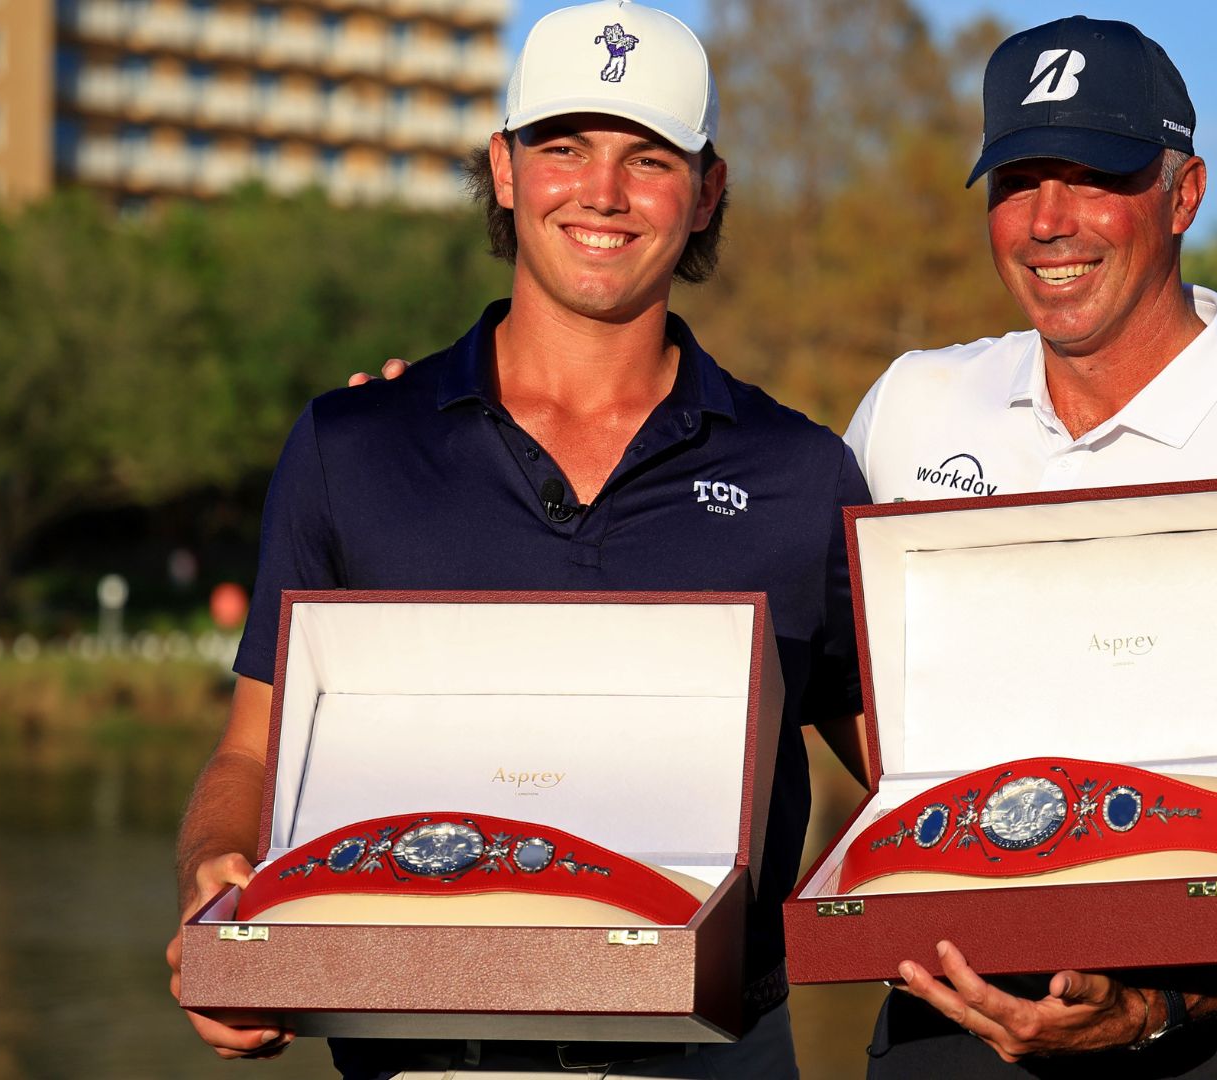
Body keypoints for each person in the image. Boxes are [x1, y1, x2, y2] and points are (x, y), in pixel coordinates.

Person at [164, 3, 869, 1077]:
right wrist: (216, 879)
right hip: (414, 1049)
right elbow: (252, 754)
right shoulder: (351, 445)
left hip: (715, 1050)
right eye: (565, 148)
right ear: (503, 169)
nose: (603, 192)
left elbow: (908, 776)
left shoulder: (802, 475)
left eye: (649, 159)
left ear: (707, 192)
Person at [841, 16, 1217, 1079]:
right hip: (945, 1023)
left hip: (1208, 1043)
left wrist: (1151, 1010)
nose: (1048, 222)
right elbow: (834, 666)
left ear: (1183, 193)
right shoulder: (910, 407)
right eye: (1018, 181)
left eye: (1095, 178)